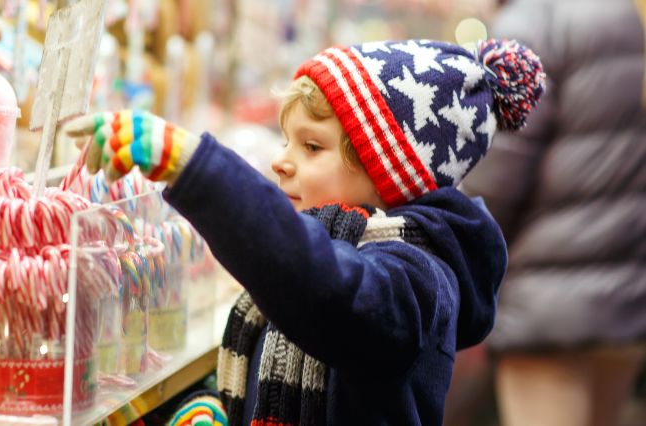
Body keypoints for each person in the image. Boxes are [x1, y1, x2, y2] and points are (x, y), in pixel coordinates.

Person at [65, 37, 544, 425]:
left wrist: (197, 168)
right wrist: (211, 408)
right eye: (285, 139)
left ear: (390, 175)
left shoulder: (418, 282)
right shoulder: (330, 238)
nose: (280, 161)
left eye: (312, 146)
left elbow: (324, 288)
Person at [458, 1, 646, 425]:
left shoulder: (536, 20)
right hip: (630, 293)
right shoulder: (630, 16)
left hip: (548, 305)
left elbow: (492, 178)